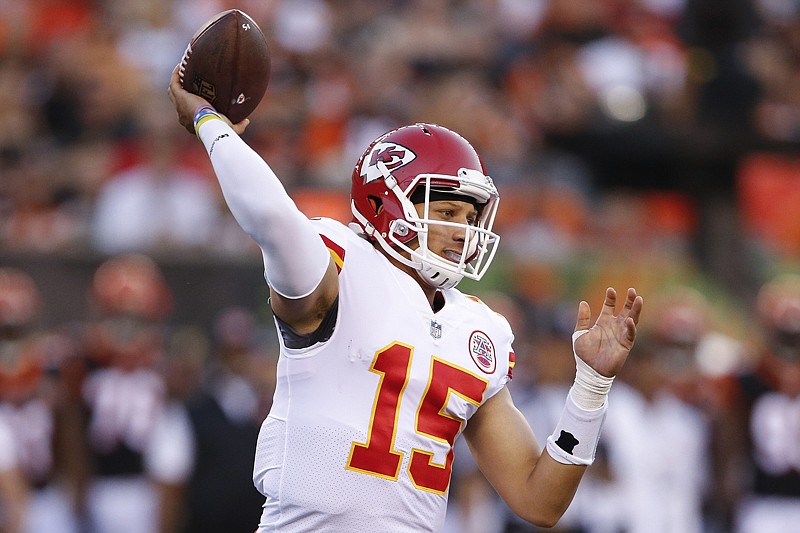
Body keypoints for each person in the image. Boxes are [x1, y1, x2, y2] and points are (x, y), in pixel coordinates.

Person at [168, 65, 643, 532]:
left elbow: (539, 502)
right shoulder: (341, 269)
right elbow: (272, 219)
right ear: (384, 203)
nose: (464, 231)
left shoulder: (481, 331)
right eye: (447, 210)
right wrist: (213, 126)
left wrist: (591, 387)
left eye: (471, 216)